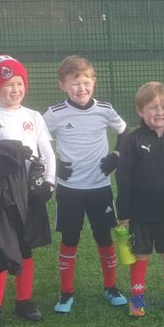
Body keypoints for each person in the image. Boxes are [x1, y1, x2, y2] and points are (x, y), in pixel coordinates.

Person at [0, 55, 55, 327]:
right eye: (7, 85)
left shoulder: (33, 116)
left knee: (25, 246)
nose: (14, 90)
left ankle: (24, 301)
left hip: (29, 190)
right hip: (0, 190)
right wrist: (9, 153)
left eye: (19, 83)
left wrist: (50, 182)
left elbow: (47, 152)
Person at [43, 55, 129, 313]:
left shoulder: (105, 110)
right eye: (74, 83)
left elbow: (124, 132)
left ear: (94, 82)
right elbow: (36, 139)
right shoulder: (55, 114)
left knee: (104, 236)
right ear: (63, 86)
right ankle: (66, 293)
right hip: (69, 190)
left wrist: (116, 156)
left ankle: (111, 287)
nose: (81, 88)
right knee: (70, 238)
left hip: (99, 187)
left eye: (86, 82)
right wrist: (53, 164)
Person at [116, 82, 164, 317]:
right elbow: (123, 178)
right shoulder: (133, 140)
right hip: (140, 213)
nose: (160, 113)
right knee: (141, 255)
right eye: (153, 107)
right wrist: (124, 212)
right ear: (140, 111)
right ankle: (137, 297)